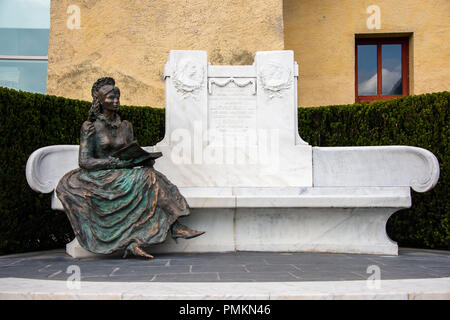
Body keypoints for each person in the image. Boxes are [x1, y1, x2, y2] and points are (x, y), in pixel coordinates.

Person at [56, 77, 204, 258]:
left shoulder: (126, 126)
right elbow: (85, 162)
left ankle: (146, 237)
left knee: (150, 174)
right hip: (100, 176)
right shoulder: (90, 127)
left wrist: (142, 159)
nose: (116, 101)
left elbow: (129, 151)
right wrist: (114, 163)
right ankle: (172, 228)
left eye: (117, 97)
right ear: (100, 100)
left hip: (123, 172)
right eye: (111, 97)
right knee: (148, 179)